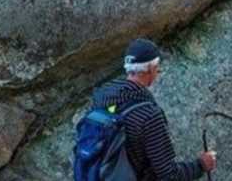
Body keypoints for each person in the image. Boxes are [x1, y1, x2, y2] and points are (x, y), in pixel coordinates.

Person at [91, 38, 217, 181]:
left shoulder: (102, 99)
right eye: (157, 67)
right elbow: (169, 176)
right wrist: (201, 165)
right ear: (150, 69)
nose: (158, 71)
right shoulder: (149, 116)